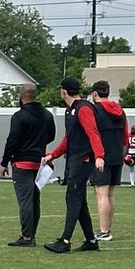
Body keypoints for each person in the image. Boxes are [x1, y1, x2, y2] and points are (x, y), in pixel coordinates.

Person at [40, 77, 105, 253]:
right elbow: (69, 139)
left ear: (64, 91)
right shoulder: (71, 110)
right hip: (75, 159)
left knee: (72, 198)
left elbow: (93, 133)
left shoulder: (83, 109)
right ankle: (91, 241)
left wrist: (99, 156)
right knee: (79, 201)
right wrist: (52, 155)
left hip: (83, 160)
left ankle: (65, 240)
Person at [0, 85, 56, 245]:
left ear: (22, 96)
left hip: (22, 162)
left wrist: (4, 162)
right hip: (39, 162)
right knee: (35, 199)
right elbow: (51, 135)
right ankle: (32, 234)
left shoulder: (19, 116)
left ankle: (27, 237)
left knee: (25, 200)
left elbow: (13, 140)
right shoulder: (47, 115)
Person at [88, 80, 127, 241]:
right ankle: (106, 228)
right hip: (117, 154)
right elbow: (125, 136)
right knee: (110, 194)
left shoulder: (95, 111)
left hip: (101, 156)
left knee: (101, 194)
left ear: (95, 93)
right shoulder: (120, 111)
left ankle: (103, 231)